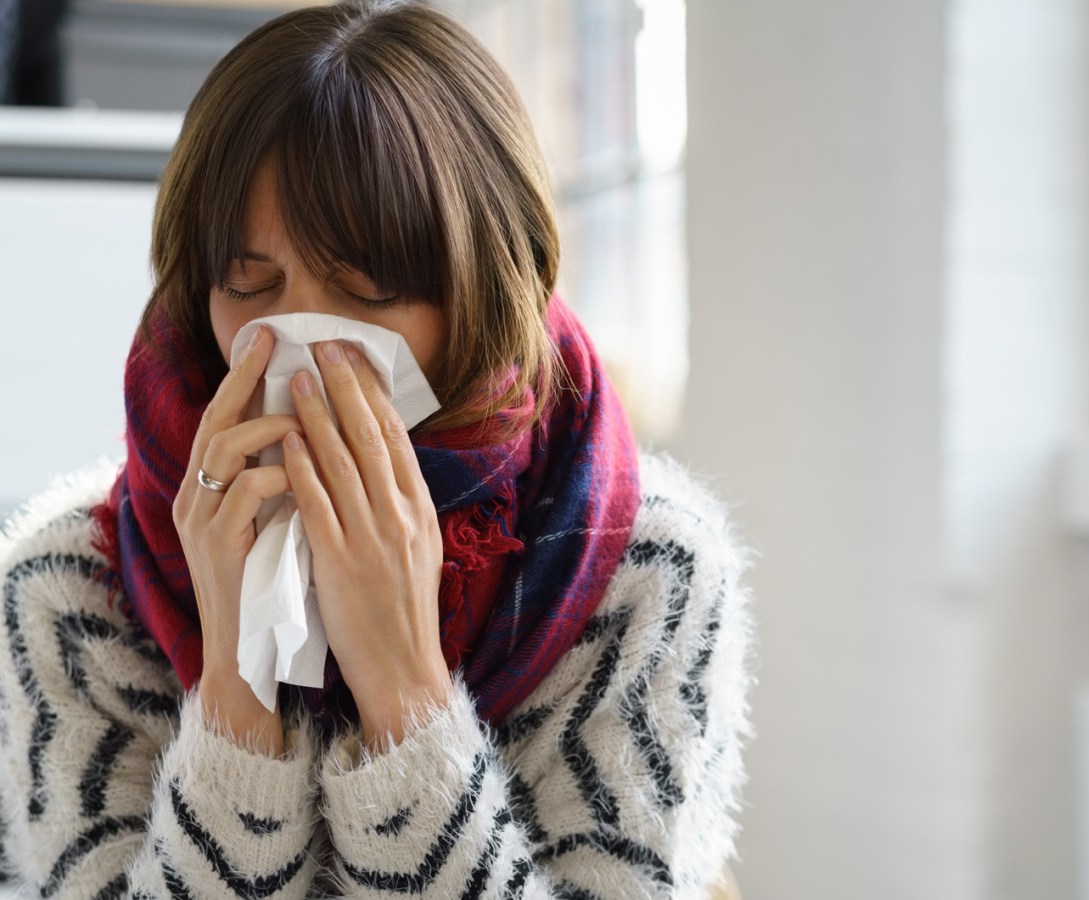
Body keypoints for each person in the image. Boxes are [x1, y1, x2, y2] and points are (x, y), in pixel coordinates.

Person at [0, 1, 752, 896]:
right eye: (252, 282)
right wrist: (236, 691)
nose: (303, 343)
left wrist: (405, 692)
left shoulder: (644, 579)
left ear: (486, 292)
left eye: (367, 290)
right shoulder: (67, 589)